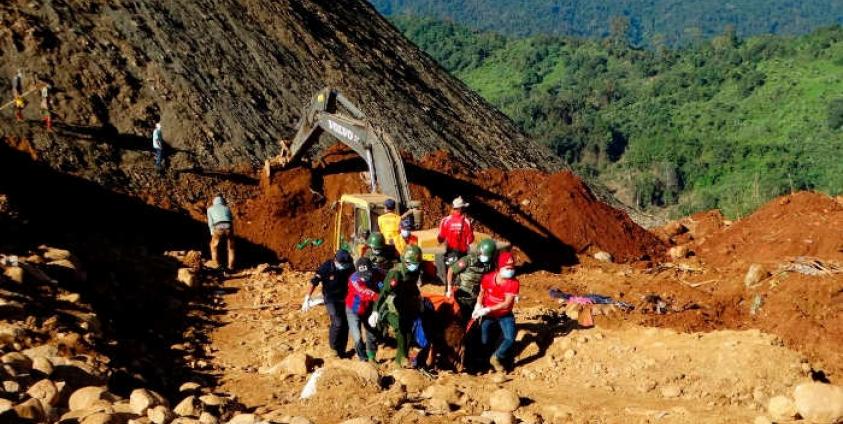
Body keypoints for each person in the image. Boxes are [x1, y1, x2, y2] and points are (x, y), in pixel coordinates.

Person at [369, 245, 423, 367]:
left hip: (405, 304)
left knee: (408, 333)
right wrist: (375, 311)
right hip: (391, 307)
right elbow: (383, 293)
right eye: (411, 264)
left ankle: (401, 360)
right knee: (400, 330)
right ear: (404, 261)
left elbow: (412, 286)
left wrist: (418, 298)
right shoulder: (395, 274)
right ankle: (401, 359)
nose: (414, 266)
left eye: (416, 264)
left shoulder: (415, 270)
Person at [473, 251, 520, 372]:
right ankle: (482, 361)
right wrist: (478, 305)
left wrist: (488, 309)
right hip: (488, 315)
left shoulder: (513, 283)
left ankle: (497, 357)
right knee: (484, 338)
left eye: (512, 268)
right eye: (507, 268)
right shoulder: (487, 278)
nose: (510, 271)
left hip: (504, 314)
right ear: (498, 268)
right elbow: (481, 292)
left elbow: (507, 303)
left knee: (510, 337)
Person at [304, 249, 354, 358]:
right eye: (342, 264)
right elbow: (314, 281)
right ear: (335, 260)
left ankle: (342, 351)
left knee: (345, 324)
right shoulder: (326, 267)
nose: (344, 266)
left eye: (346, 264)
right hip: (330, 298)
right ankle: (333, 348)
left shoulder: (349, 266)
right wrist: (308, 297)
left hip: (345, 298)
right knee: (337, 322)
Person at [446, 238, 497, 322]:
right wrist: (449, 289)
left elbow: (488, 282)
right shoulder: (467, 260)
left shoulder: (490, 265)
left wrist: (480, 302)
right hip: (461, 296)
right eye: (484, 255)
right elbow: (451, 270)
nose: (486, 258)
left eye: (488, 256)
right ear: (479, 251)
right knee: (457, 321)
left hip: (475, 298)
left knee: (472, 322)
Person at [345, 258, 383, 362]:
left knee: (372, 333)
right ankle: (362, 358)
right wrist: (378, 296)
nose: (364, 278)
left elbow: (383, 285)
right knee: (357, 337)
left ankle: (371, 356)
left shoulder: (378, 273)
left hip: (368, 308)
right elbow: (364, 292)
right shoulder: (354, 279)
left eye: (367, 274)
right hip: (353, 310)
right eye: (362, 275)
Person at [438, 196, 474, 268]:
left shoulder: (445, 221)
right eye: (464, 208)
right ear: (460, 209)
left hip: (450, 254)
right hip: (463, 256)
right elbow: (470, 240)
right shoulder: (467, 222)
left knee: (440, 260)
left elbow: (440, 238)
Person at [207, 196, 236, 271]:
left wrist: (212, 233)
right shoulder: (227, 208)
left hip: (218, 227)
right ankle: (231, 267)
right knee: (231, 248)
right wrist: (231, 233)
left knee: (213, 246)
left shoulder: (210, 209)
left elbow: (210, 223)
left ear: (214, 202)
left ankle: (216, 266)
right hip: (228, 227)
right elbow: (231, 221)